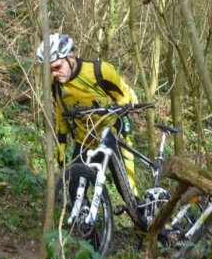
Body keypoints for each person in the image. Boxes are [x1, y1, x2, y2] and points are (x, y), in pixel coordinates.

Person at [37, 33, 140, 200]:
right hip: (87, 138)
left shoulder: (99, 71)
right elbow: (61, 114)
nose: (54, 73)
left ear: (71, 57)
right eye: (50, 69)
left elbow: (125, 95)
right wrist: (61, 145)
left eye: (57, 67)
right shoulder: (55, 83)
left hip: (113, 133)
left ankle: (144, 218)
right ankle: (84, 222)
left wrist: (122, 110)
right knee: (74, 187)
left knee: (127, 190)